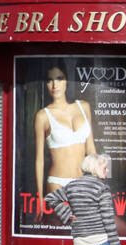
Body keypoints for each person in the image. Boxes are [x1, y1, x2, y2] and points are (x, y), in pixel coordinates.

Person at [33, 62, 96, 199]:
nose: (55, 85)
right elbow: (39, 160)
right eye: (50, 80)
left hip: (83, 183)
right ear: (46, 84)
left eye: (59, 79)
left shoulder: (84, 107)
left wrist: (96, 183)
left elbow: (91, 148)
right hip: (58, 184)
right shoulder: (43, 116)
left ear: (67, 81)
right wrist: (40, 197)